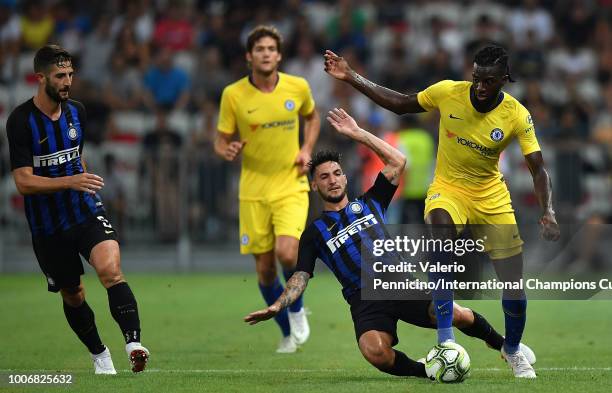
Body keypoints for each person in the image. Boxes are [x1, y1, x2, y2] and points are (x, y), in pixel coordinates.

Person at [323, 45, 560, 378]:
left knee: (513, 286)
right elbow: (401, 103)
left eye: (488, 81)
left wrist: (547, 211)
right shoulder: (448, 92)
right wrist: (351, 76)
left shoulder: (517, 115)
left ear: (504, 80)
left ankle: (512, 350)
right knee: (440, 245)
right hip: (447, 190)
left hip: (491, 197)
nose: (479, 86)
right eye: (476, 78)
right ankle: (446, 341)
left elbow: (538, 169)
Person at [244, 108, 535, 378]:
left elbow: (398, 161)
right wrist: (278, 304)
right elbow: (299, 276)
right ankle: (428, 371)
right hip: (362, 299)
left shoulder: (371, 201)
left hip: (399, 283)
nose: (332, 180)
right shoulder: (314, 232)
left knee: (455, 314)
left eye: (336, 173)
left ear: (344, 178)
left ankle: (507, 347)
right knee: (375, 352)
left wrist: (358, 133)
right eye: (323, 177)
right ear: (314, 185)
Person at [5, 45, 149, 374]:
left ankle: (134, 344)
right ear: (41, 78)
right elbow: (23, 182)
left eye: (70, 74)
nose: (67, 81)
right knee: (73, 293)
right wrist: (69, 180)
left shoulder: (77, 112)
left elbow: (76, 158)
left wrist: (79, 183)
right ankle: (100, 354)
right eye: (60, 76)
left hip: (83, 210)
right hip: (47, 226)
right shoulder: (21, 121)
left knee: (111, 270)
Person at [214, 25, 321, 353]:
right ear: (249, 56)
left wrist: (306, 149)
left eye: (271, 49)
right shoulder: (233, 94)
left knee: (288, 253)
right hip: (253, 188)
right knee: (263, 270)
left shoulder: (297, 87)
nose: (265, 53)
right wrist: (227, 150)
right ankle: (287, 330)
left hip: (290, 183)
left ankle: (298, 308)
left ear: (279, 55)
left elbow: (313, 118)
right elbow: (221, 140)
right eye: (259, 48)